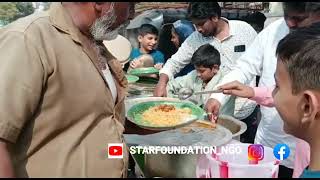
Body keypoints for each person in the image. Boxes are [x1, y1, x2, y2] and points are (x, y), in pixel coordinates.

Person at [0, 2, 135, 178]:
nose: (132, 14)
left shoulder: (95, 43)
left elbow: (95, 117)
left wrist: (150, 124)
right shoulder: (28, 39)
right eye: (130, 4)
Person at [204, 2, 317, 178]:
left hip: (303, 151)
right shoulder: (273, 33)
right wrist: (219, 96)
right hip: (269, 140)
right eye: (287, 15)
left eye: (298, 18)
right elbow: (244, 67)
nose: (290, 23)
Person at [167, 44, 235, 116]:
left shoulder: (224, 83)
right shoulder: (194, 75)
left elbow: (218, 113)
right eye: (196, 70)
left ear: (215, 68)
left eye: (202, 71)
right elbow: (172, 84)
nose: (198, 74)